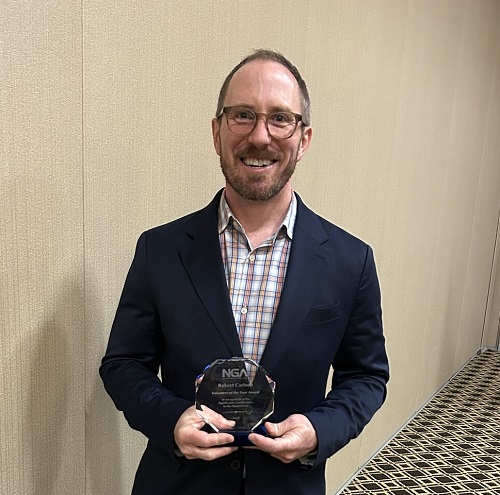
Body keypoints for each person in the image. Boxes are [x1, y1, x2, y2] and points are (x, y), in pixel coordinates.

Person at [100, 49, 389, 495]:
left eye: (280, 118)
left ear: (304, 138)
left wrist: (318, 430)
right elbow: (123, 364)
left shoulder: (352, 262)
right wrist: (171, 420)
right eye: (242, 115)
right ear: (217, 132)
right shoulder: (159, 250)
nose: (260, 136)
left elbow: (366, 377)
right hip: (177, 484)